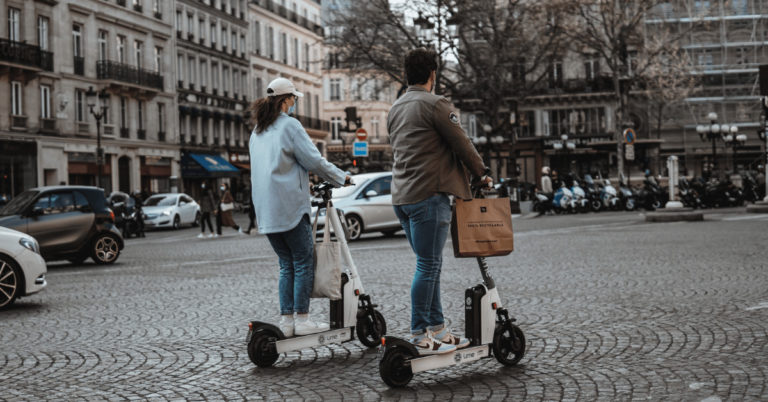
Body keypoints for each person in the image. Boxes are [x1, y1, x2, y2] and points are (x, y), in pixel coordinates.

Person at [387, 48, 491, 355]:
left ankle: (439, 330)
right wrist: (482, 173)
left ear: (407, 74)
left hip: (402, 197)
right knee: (429, 265)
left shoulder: (396, 107)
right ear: (434, 74)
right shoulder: (435, 104)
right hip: (429, 195)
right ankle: (420, 332)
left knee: (429, 265)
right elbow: (462, 142)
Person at [249, 77, 352, 337]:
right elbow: (314, 161)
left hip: (266, 210)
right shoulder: (290, 126)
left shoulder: (258, 131)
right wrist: (342, 177)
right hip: (290, 206)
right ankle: (303, 319)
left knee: (286, 264)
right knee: (303, 261)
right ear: (285, 100)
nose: (295, 103)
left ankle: (287, 321)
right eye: (293, 98)